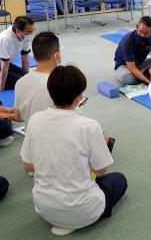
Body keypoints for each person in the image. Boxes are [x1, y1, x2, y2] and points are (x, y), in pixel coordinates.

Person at [20, 65, 127, 236]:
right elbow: (101, 171)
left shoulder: (35, 120)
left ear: (50, 92)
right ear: (79, 96)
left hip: (43, 208)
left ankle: (63, 218)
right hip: (84, 211)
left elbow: (28, 165)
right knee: (119, 179)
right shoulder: (89, 126)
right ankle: (73, 221)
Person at [14, 32, 59, 130]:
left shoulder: (20, 82)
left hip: (32, 137)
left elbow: (18, 117)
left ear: (34, 57)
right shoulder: (62, 81)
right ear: (57, 55)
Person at [0, 16, 35, 92]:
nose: (31, 34)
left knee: (26, 80)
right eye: (29, 32)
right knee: (20, 82)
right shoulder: (6, 39)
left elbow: (25, 56)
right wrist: (1, 88)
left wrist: (26, 76)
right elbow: (5, 65)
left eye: (32, 31)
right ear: (18, 31)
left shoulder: (25, 35)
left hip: (4, 65)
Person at [114, 16, 151, 85]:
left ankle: (142, 74)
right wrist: (149, 82)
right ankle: (146, 74)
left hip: (140, 63)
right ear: (137, 27)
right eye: (140, 31)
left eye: (147, 33)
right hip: (125, 65)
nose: (143, 35)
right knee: (127, 77)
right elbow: (132, 68)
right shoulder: (127, 40)